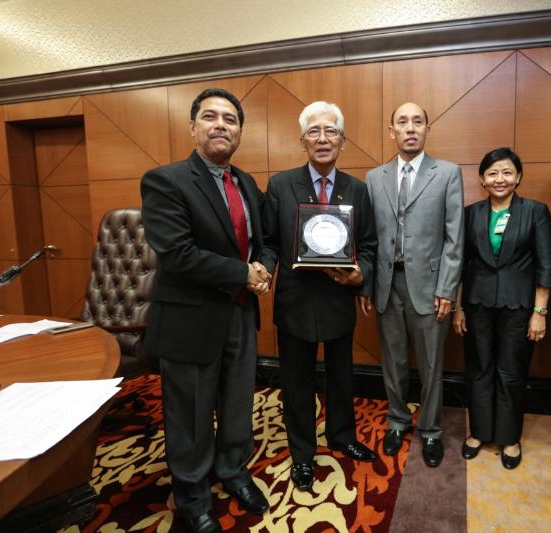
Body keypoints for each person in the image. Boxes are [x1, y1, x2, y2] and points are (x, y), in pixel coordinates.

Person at [141, 88, 272, 533]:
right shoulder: (165, 181)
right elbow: (177, 253)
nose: (221, 125)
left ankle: (233, 470)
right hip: (190, 320)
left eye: (230, 119)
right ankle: (193, 494)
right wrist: (243, 273)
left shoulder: (247, 183)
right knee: (191, 416)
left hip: (240, 314)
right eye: (211, 117)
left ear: (240, 132)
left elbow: (263, 242)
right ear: (192, 127)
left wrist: (263, 268)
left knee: (237, 405)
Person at [259, 101, 378, 492]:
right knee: (297, 382)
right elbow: (269, 241)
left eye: (331, 131)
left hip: (338, 295)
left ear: (342, 140)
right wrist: (264, 268)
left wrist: (362, 273)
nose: (322, 138)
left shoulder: (357, 189)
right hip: (295, 298)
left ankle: (342, 436)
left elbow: (369, 244)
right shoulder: (280, 185)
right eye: (314, 131)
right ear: (302, 140)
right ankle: (302, 454)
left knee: (342, 376)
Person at [364, 102, 464, 467]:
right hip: (387, 283)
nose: (410, 128)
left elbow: (455, 238)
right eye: (402, 122)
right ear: (391, 131)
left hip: (430, 286)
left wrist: (447, 289)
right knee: (393, 361)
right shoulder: (374, 177)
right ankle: (397, 420)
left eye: (417, 122)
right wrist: (366, 286)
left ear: (427, 129)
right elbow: (368, 238)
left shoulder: (448, 173)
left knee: (431, 364)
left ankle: (432, 429)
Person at [452, 147, 551, 469]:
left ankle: (510, 437)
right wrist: (458, 307)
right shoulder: (471, 214)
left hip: (518, 306)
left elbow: (546, 264)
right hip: (477, 304)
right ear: (482, 179)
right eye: (493, 173)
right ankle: (480, 432)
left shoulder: (535, 211)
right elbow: (461, 264)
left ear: (518, 177)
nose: (500, 179)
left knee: (511, 372)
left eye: (507, 172)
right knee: (479, 368)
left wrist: (539, 313)